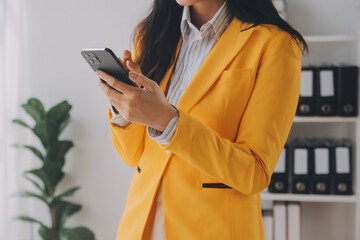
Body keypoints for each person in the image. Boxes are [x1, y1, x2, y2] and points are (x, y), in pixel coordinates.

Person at [95, 0, 308, 239]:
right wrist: (124, 109)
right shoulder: (152, 33)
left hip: (213, 230)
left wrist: (168, 122)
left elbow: (254, 173)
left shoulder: (275, 44)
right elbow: (132, 155)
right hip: (142, 226)